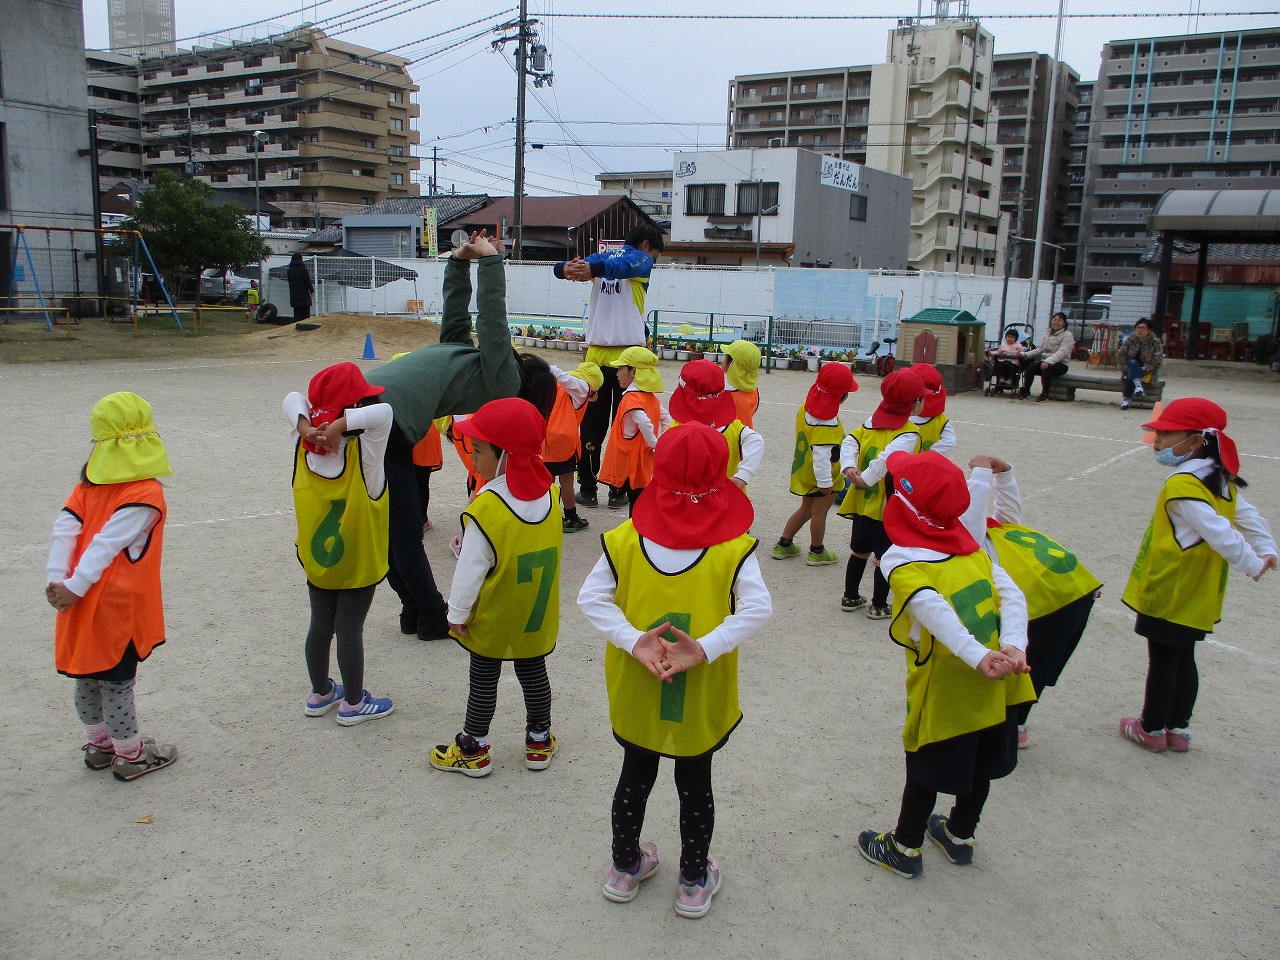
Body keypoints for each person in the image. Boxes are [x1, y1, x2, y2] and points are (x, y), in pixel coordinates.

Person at [578, 422, 771, 918]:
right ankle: (692, 880)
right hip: (699, 691)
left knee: (634, 777)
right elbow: (756, 609)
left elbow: (590, 599)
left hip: (638, 684)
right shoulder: (734, 548)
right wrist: (704, 647)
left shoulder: (623, 539)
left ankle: (624, 868)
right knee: (696, 785)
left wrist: (634, 640)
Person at [364, 231, 556, 643]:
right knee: (404, 532)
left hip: (369, 402)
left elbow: (457, 316)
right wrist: (484, 262)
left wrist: (457, 263)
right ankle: (431, 615)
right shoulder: (504, 380)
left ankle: (414, 608)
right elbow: (488, 320)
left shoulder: (469, 361)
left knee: (395, 528)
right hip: (390, 418)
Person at [858, 451, 1034, 879]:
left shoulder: (901, 558)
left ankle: (905, 846)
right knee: (980, 761)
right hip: (1001, 677)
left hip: (949, 680)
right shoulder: (972, 547)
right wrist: (1012, 645)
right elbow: (1013, 595)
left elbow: (931, 609)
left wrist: (978, 656)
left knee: (926, 762)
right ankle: (959, 835)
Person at [1119, 399, 1276, 753]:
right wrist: (1267, 547)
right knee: (1184, 656)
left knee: (1162, 660)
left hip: (1172, 586)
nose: (1156, 440)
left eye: (1165, 433)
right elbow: (1245, 514)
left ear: (1194, 442)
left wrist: (1253, 562)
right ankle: (1178, 729)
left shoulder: (1182, 485)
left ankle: (1151, 728)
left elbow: (1220, 531)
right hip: (1200, 589)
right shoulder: (1218, 477)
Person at [45, 392, 177, 782]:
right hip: (112, 604)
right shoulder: (145, 493)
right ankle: (131, 755)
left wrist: (59, 582)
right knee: (118, 682)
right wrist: (77, 585)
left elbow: (65, 528)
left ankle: (99, 745)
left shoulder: (87, 487)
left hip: (77, 599)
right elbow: (107, 543)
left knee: (87, 675)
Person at [429, 398, 562, 777]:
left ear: (505, 456)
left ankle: (473, 747)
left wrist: (455, 614)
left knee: (484, 678)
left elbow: (470, 570)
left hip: (495, 613)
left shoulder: (487, 507)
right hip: (534, 617)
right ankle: (539, 740)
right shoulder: (550, 495)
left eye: (479, 450)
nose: (472, 457)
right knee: (534, 674)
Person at [961, 456, 1101, 749]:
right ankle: (1015, 722)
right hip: (1074, 590)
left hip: (1055, 603)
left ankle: (1013, 727)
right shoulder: (1003, 527)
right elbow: (1007, 508)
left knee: (1025, 668)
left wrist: (982, 475)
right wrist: (1006, 475)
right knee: (1035, 665)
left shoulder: (971, 541)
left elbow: (973, 516)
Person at [285, 362, 396, 726]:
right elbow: (384, 411)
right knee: (350, 628)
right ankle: (352, 703)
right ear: (354, 411)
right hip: (358, 560)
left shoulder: (303, 447)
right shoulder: (366, 451)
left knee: (320, 624)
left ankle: (320, 692)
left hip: (318, 562)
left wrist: (309, 426)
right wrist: (339, 426)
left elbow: (291, 399)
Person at [554, 224, 665, 510]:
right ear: (645, 246)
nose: (654, 260)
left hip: (596, 356)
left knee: (592, 424)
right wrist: (567, 269)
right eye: (655, 254)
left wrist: (573, 269)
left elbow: (602, 266)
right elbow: (623, 264)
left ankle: (589, 489)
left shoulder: (601, 260)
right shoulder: (640, 261)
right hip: (630, 360)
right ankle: (618, 490)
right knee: (625, 427)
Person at [837, 369, 927, 618]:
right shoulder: (908, 433)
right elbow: (888, 459)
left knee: (859, 550)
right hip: (886, 505)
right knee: (884, 556)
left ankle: (851, 596)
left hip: (861, 501)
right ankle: (878, 604)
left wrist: (849, 468)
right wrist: (865, 477)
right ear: (914, 403)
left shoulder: (870, 423)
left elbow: (850, 441)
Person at [773, 363, 856, 567]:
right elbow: (821, 456)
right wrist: (826, 483)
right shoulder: (827, 423)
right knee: (819, 513)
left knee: (806, 509)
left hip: (805, 470)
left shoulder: (807, 406)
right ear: (841, 396)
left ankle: (784, 544)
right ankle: (817, 551)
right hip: (822, 476)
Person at [668, 359, 764, 491]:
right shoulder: (734, 428)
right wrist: (742, 476)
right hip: (727, 502)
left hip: (689, 505)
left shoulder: (676, 429)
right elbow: (756, 441)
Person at [596, 346, 669, 516]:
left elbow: (644, 422)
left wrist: (655, 443)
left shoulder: (631, 398)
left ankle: (635, 535)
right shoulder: (650, 398)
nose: (617, 373)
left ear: (633, 372)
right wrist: (661, 443)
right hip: (644, 462)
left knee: (635, 505)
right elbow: (666, 419)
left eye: (621, 369)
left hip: (629, 464)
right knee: (641, 502)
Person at [545, 361, 603, 533]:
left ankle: (547, 516)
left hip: (545, 437)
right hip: (565, 441)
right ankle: (570, 517)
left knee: (547, 481)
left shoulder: (556, 386)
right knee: (566, 480)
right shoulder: (582, 390)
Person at [1018, 312, 1075, 401]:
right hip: (1045, 361)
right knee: (1030, 367)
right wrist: (1025, 354)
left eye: (1059, 321)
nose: (1056, 322)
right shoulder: (1048, 333)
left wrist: (1048, 361)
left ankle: (1045, 394)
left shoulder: (1067, 335)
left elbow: (1062, 352)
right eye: (1054, 320)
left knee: (1047, 369)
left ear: (1064, 323)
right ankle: (1026, 391)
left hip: (1061, 363)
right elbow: (1040, 349)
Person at [907, 362, 956, 453]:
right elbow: (950, 441)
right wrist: (930, 453)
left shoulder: (903, 416)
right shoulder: (941, 421)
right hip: (927, 464)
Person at [1116, 317, 1163, 410]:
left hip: (1147, 371)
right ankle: (1138, 386)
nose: (1140, 330)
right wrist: (1125, 369)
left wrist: (1145, 369)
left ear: (1149, 330)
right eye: (1138, 327)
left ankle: (1126, 400)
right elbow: (1121, 357)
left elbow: (1157, 360)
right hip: (1129, 368)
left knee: (1131, 374)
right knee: (1133, 364)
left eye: (1143, 328)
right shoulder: (1130, 340)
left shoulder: (1155, 342)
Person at [719, 339, 762, 428]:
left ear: (732, 364)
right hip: (747, 435)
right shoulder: (753, 390)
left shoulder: (728, 394)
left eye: (726, 356)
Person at [286, 252, 314, 322]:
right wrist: (311, 290)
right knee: (306, 317)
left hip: (294, 296)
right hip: (304, 296)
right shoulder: (303, 268)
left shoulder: (290, 270)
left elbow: (290, 282)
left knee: (297, 317)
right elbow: (307, 281)